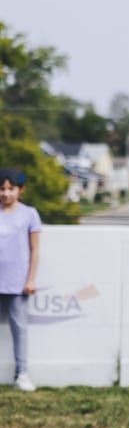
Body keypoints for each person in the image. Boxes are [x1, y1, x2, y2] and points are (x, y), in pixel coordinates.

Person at [0, 168, 42, 392]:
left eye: (10, 188)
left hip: (17, 282)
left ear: (20, 190)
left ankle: (22, 373)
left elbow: (35, 250)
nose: (6, 193)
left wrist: (31, 279)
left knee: (19, 329)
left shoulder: (29, 214)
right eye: (2, 188)